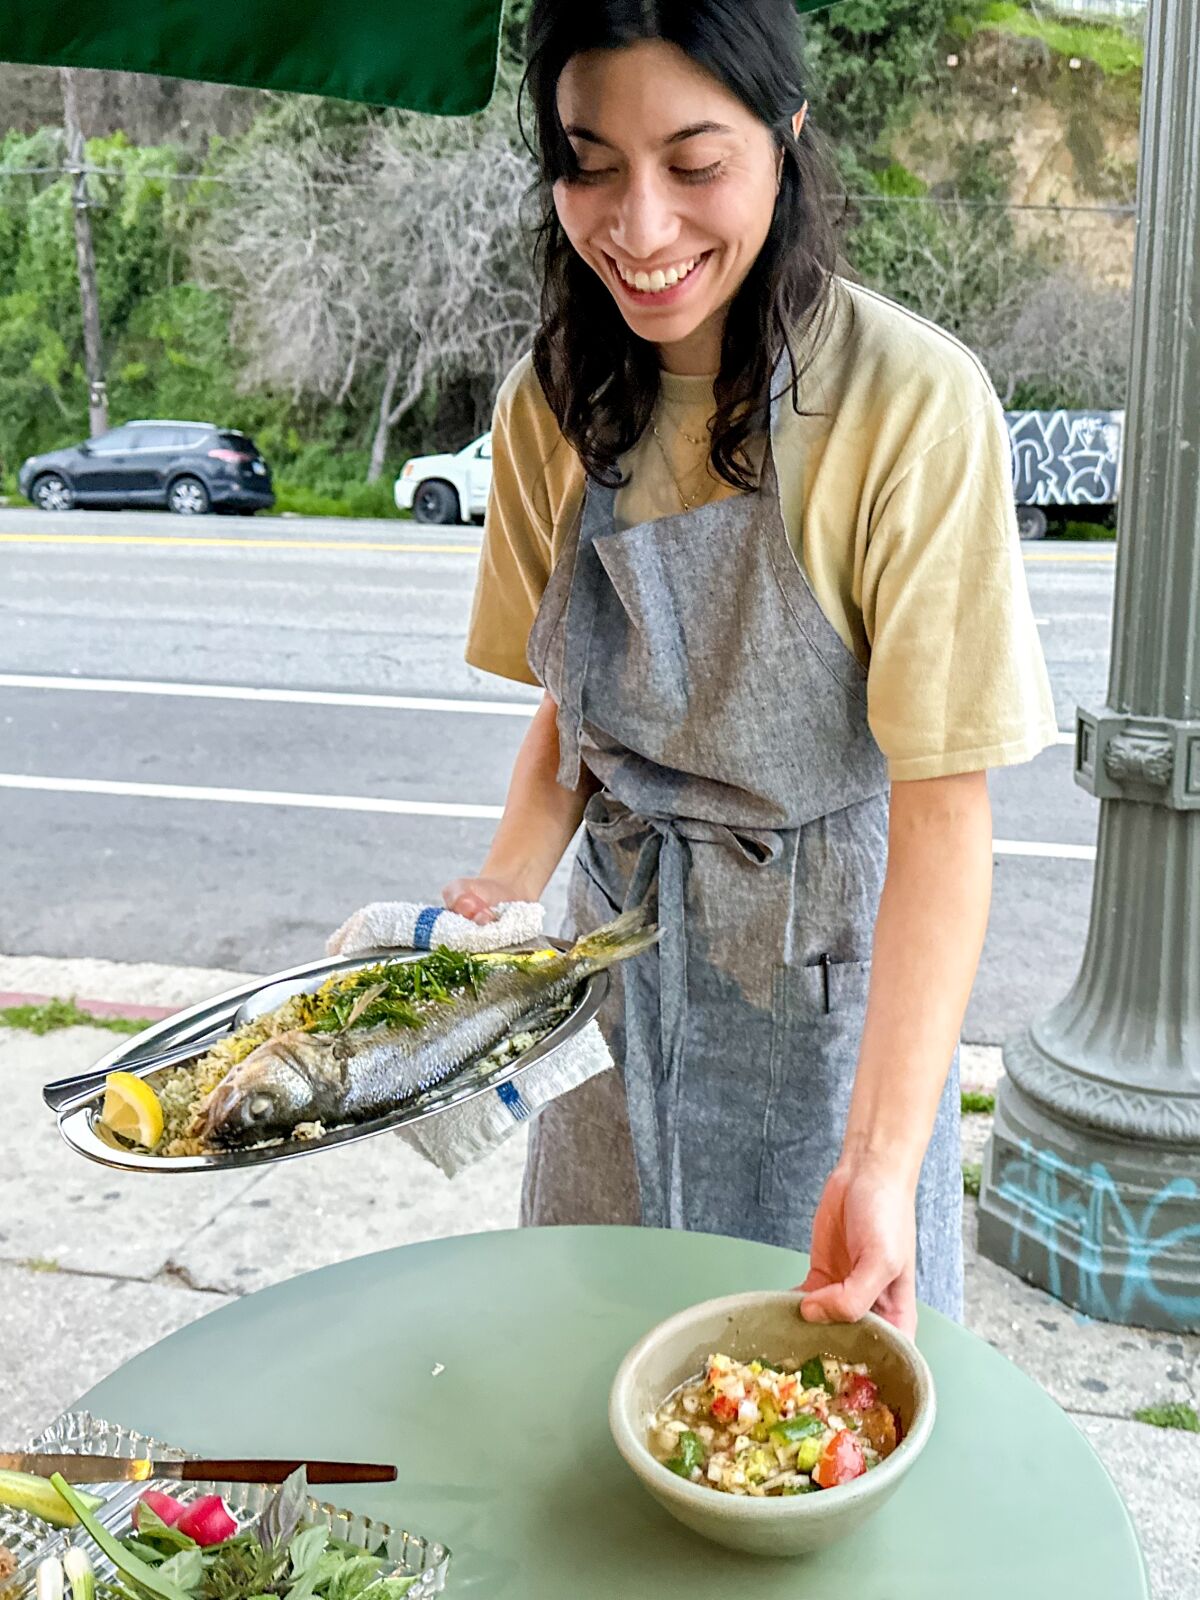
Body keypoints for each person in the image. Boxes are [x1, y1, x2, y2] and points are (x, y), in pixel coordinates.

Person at [441, 0, 1057, 1335]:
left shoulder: (908, 403)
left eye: (695, 162)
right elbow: (581, 701)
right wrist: (499, 892)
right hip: (609, 972)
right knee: (587, 1358)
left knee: (807, 1381)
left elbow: (944, 818)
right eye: (589, 161)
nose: (640, 227)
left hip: (820, 985)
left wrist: (884, 1160)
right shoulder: (548, 400)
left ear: (785, 142)